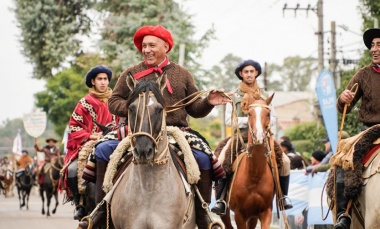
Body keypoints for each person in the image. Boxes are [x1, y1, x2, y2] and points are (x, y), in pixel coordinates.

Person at [78, 24, 228, 229]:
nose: (146, 49)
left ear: (166, 46)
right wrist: (136, 107)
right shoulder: (131, 72)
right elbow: (114, 101)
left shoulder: (182, 74)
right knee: (102, 149)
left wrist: (209, 102)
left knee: (202, 156)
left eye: (152, 45)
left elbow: (194, 108)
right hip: (136, 129)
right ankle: (101, 210)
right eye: (143, 46)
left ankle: (203, 214)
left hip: (175, 131)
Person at [211, 59, 293, 215]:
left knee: (286, 162)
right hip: (240, 137)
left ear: (256, 73)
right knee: (221, 161)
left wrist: (260, 123)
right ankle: (221, 200)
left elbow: (273, 118)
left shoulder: (266, 95)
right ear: (241, 74)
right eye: (246, 72)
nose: (249, 74)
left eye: (252, 71)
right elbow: (229, 120)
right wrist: (250, 121)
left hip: (263, 136)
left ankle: (283, 197)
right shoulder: (233, 96)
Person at [334, 28, 380, 229]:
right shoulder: (363, 74)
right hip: (370, 129)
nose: (374, 49)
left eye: (379, 44)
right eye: (372, 45)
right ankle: (344, 214)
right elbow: (344, 106)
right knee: (345, 162)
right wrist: (342, 99)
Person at [62, 65, 118, 221]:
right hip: (89, 142)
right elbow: (73, 127)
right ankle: (80, 203)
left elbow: (123, 121)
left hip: (114, 140)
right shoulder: (84, 103)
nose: (103, 82)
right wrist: (91, 136)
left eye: (105, 79)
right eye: (99, 79)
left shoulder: (115, 101)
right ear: (93, 81)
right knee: (72, 169)